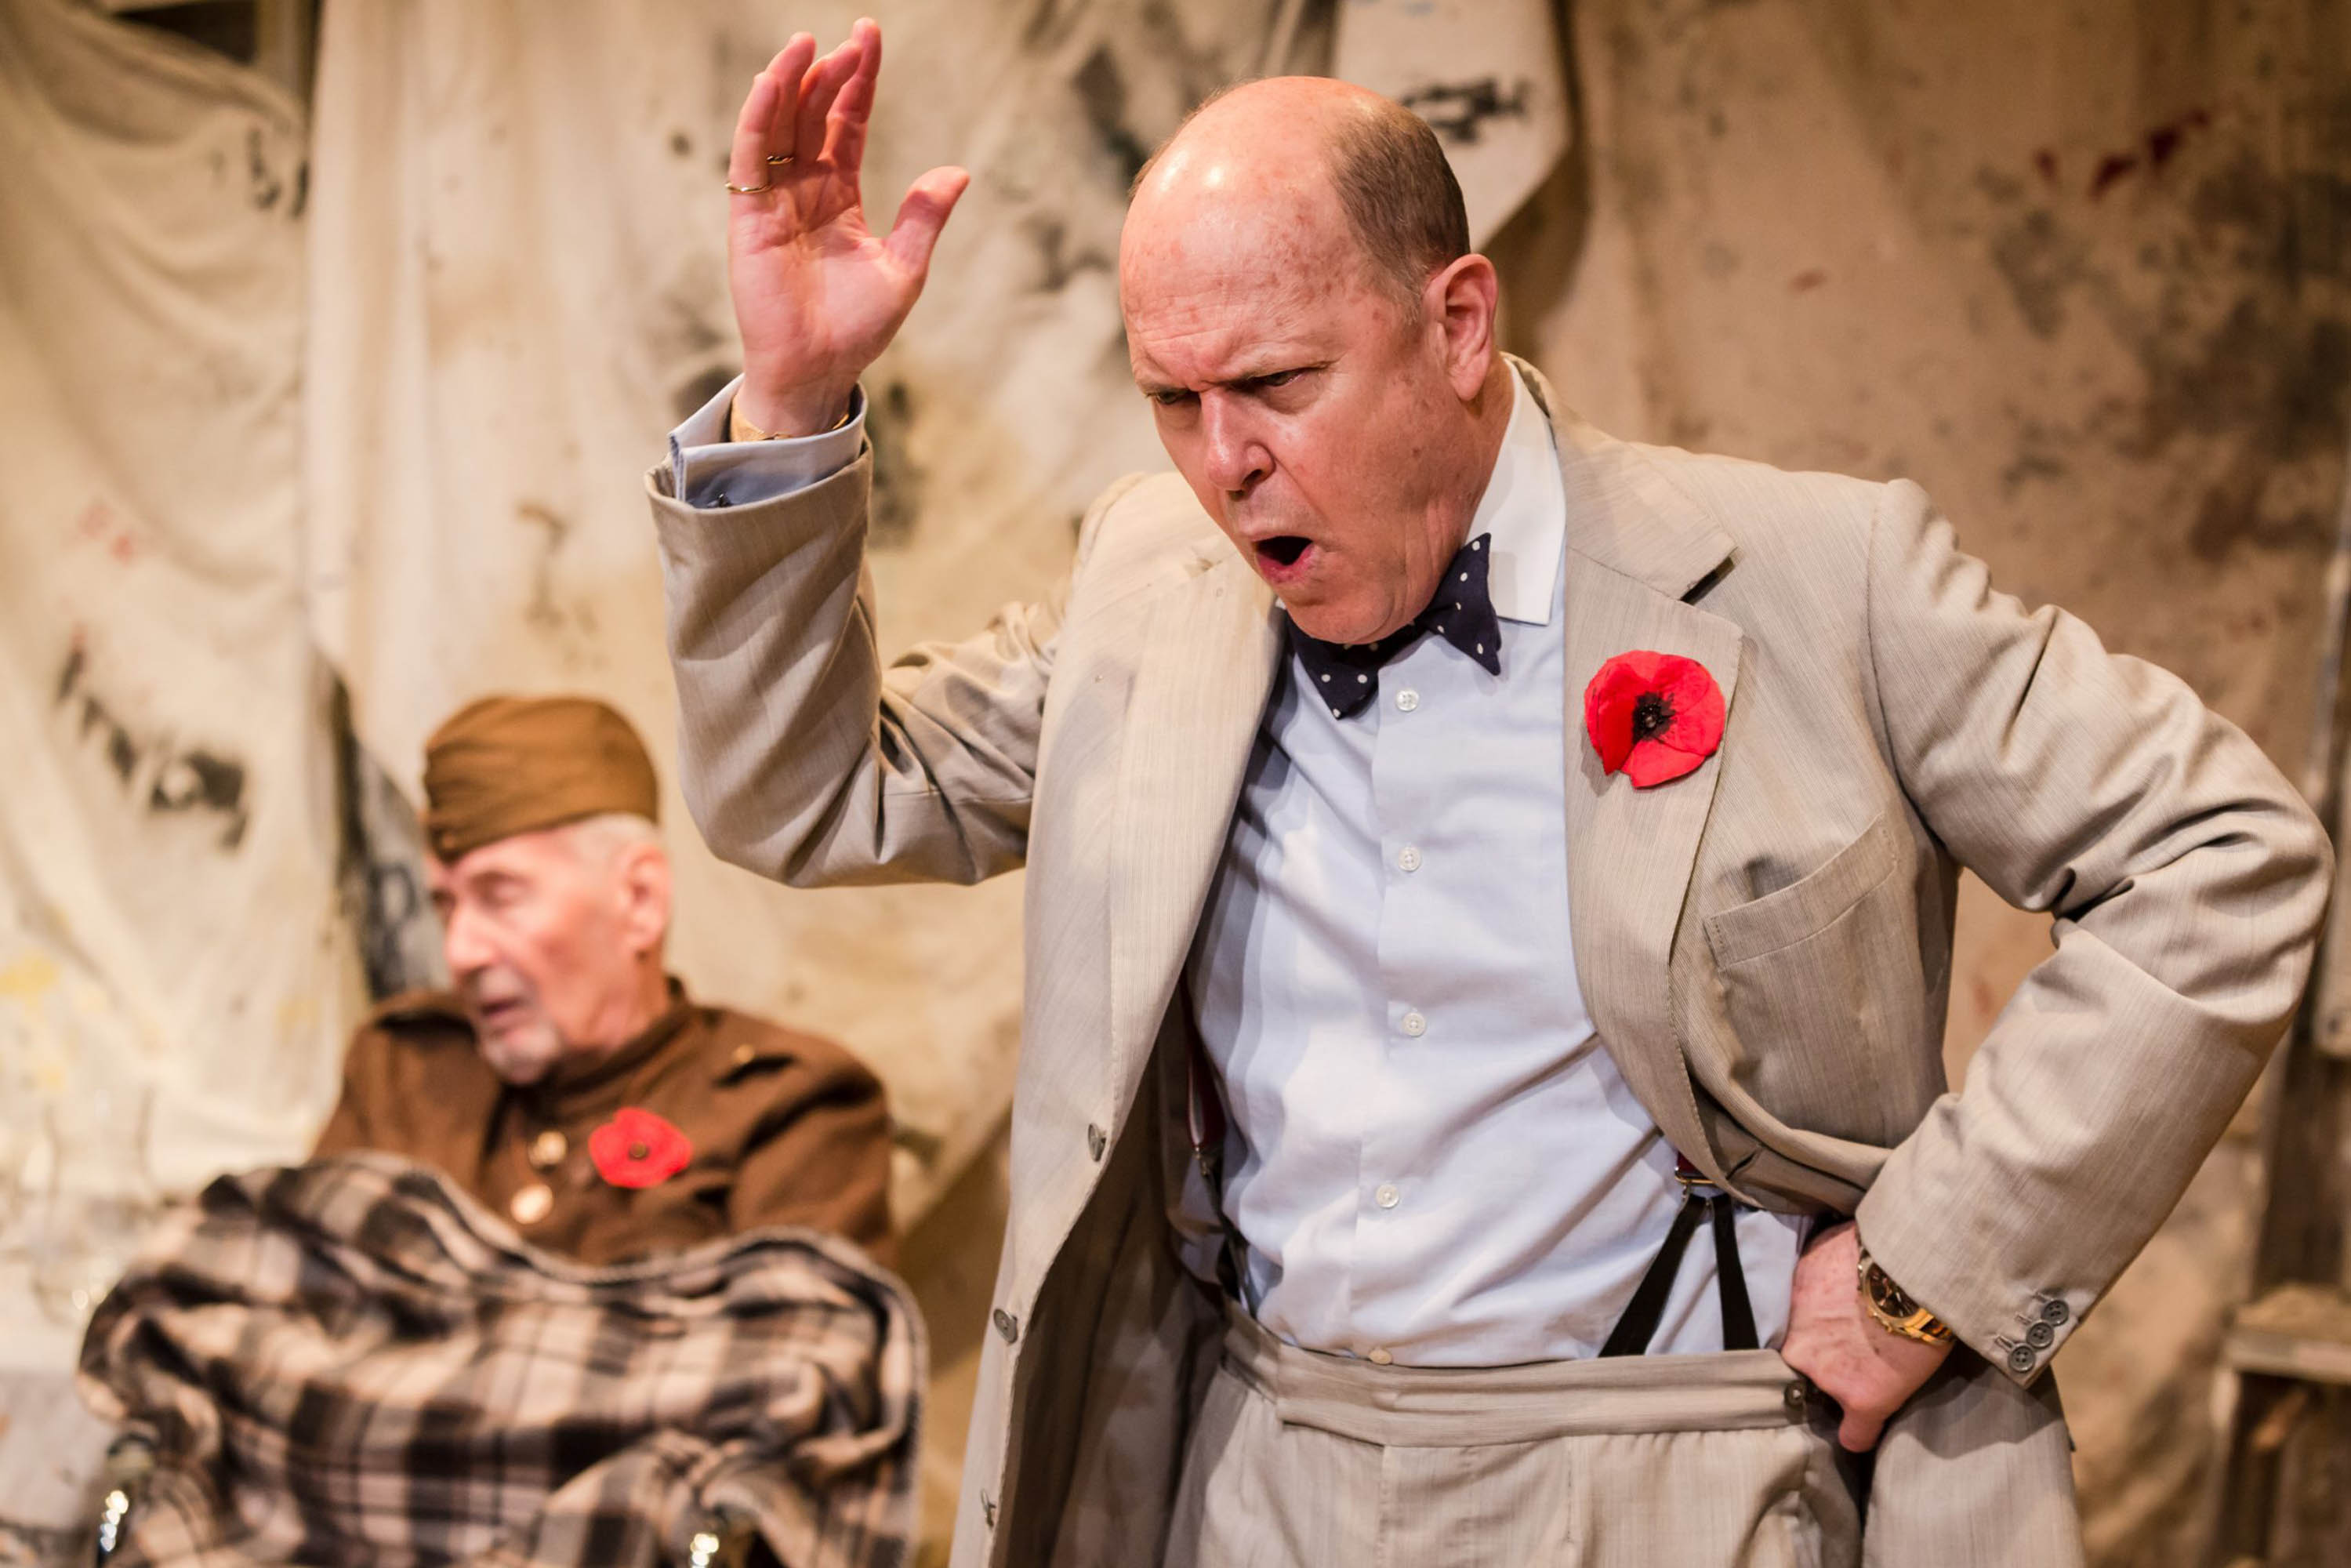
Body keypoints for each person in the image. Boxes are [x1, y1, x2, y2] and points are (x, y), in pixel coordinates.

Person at [645, 20, 2331, 1568]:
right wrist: (789, 399)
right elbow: (812, 796)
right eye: (1171, 400)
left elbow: (2219, 855)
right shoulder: (1151, 585)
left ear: (1456, 323)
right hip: (1258, 1466)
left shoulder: (1813, 576)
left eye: (1276, 384)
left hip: (1681, 1471)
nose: (1223, 462)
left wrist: (1925, 1272)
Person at [313, 693, 894, 1267]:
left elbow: (797, 1328)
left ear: (639, 899)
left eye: (501, 896)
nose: (459, 951)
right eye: (445, 906)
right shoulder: (401, 1073)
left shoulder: (786, 1108)